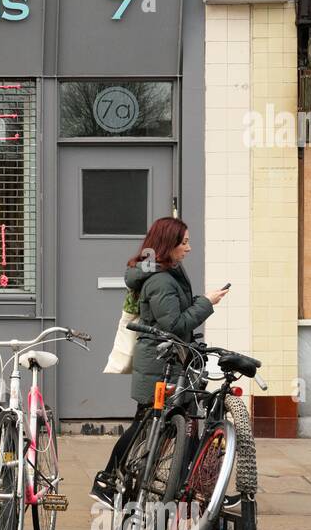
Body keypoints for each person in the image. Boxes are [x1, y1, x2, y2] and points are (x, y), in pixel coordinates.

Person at [91, 216, 230, 509]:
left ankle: (195, 490)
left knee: (175, 425)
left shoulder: (169, 272)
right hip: (160, 362)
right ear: (169, 245)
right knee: (146, 424)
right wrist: (207, 302)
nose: (189, 248)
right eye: (185, 242)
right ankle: (106, 481)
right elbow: (175, 324)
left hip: (173, 360)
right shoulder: (160, 280)